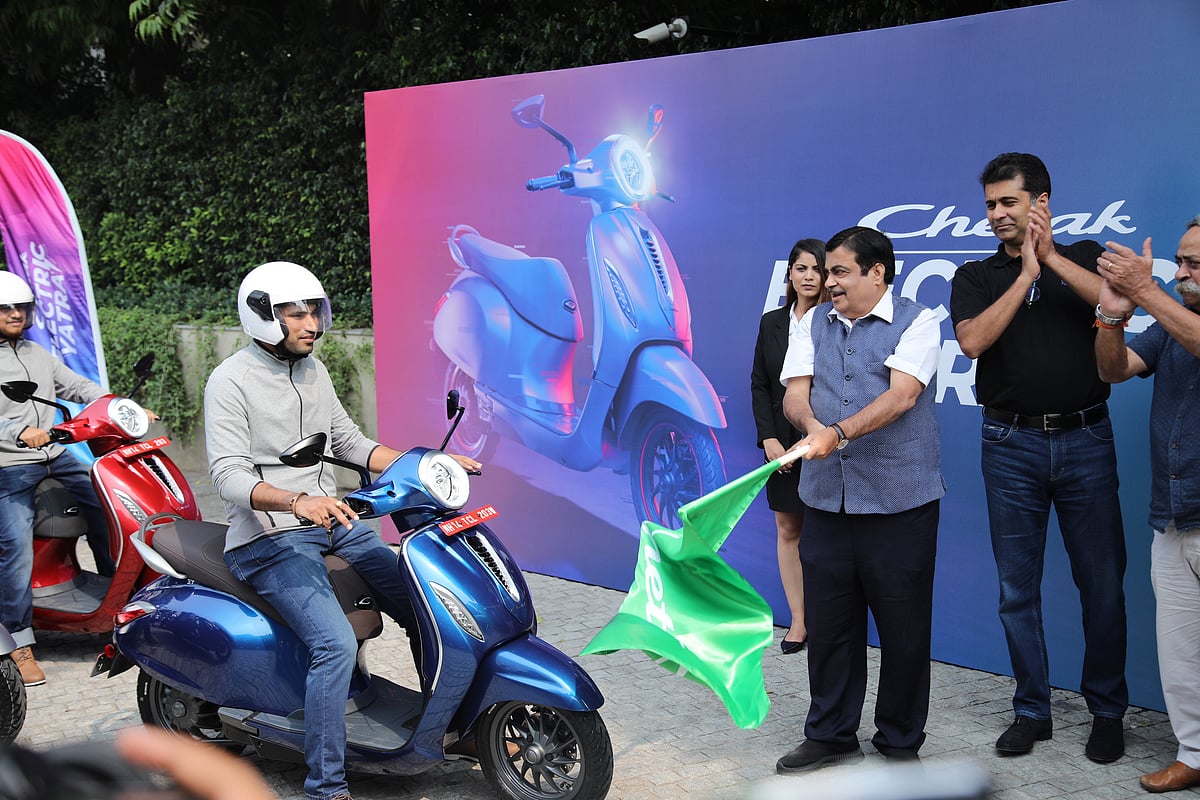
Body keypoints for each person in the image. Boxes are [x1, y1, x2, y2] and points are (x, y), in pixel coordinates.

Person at [204, 261, 480, 800]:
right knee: (332, 644)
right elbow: (227, 475)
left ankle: (445, 726)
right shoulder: (229, 381)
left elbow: (352, 444)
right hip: (270, 537)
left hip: (335, 520)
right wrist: (296, 501)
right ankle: (325, 785)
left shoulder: (313, 370)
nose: (310, 324)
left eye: (314, 311)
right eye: (294, 313)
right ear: (262, 316)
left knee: (429, 606)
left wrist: (424, 464)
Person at [948, 152, 1128, 763]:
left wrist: (1048, 260)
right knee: (1015, 590)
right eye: (991, 205)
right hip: (1008, 445)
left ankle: (1107, 712)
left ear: (1041, 204)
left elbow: (1114, 300)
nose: (997, 214)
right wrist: (1025, 274)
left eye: (1009, 203)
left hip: (1086, 440)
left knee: (1102, 584)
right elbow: (971, 342)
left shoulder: (1083, 254)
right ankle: (1032, 710)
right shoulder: (975, 276)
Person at [775, 226, 943, 772]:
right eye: (827, 272)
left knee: (904, 629)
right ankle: (829, 734)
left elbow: (902, 396)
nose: (829, 282)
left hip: (900, 505)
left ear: (878, 273)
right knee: (830, 626)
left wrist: (838, 433)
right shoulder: (810, 323)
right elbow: (795, 394)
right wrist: (809, 425)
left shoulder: (919, 320)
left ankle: (899, 742)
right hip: (826, 502)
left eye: (841, 271)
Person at [1093, 217, 1200, 792]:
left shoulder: (1172, 313)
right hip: (1173, 517)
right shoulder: (1168, 322)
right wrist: (1112, 314)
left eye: (1194, 266)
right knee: (1182, 658)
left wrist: (1146, 292)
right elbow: (1113, 369)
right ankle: (1195, 752)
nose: (1181, 274)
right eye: (1179, 263)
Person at [0, 271, 115, 687]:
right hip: (9, 462)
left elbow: (76, 385)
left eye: (21, 308)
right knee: (14, 545)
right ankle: (17, 641)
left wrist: (114, 404)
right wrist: (17, 432)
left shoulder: (37, 353)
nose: (15, 314)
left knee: (110, 506)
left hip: (54, 454)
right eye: (6, 308)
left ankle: (116, 604)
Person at [751, 238, 828, 654]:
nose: (810, 277)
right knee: (788, 528)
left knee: (826, 534)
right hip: (779, 447)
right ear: (790, 275)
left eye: (817, 269)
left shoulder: (835, 322)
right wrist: (770, 440)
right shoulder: (772, 323)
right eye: (802, 269)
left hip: (825, 444)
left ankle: (830, 619)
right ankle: (798, 621)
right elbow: (760, 384)